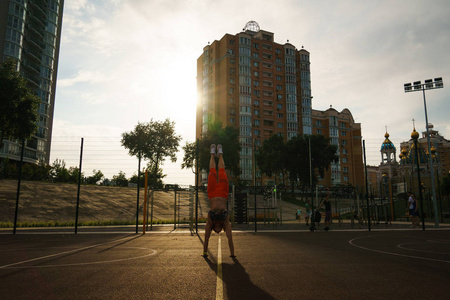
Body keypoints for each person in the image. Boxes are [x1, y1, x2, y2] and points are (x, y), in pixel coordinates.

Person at [202, 144, 235, 258]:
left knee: (212, 171)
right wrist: (232, 254)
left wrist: (205, 252)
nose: (216, 232)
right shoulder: (225, 221)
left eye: (214, 232)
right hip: (223, 193)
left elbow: (206, 236)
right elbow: (230, 236)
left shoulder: (210, 222)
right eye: (219, 231)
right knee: (221, 171)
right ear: (222, 229)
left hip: (211, 193)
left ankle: (212, 153)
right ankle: (220, 154)